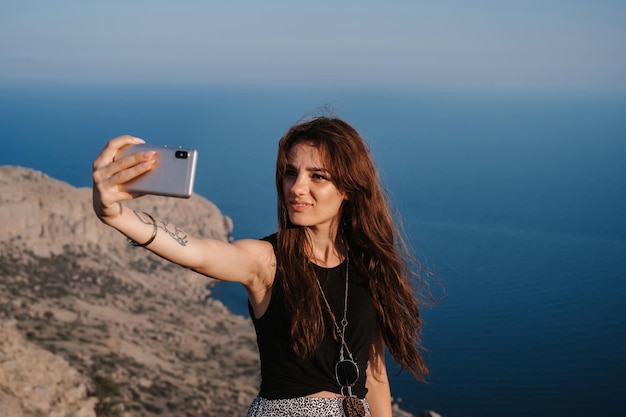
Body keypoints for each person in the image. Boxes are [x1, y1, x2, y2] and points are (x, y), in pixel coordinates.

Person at [92, 116, 430, 417]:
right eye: (290, 173)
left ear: (349, 189)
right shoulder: (267, 260)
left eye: (317, 176)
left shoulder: (368, 266)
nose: (297, 188)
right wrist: (115, 215)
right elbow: (200, 253)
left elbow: (374, 374)